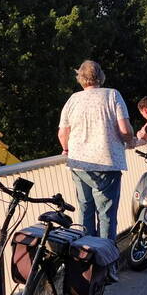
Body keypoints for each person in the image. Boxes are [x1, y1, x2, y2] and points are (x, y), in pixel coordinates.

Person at [57, 60, 134, 239]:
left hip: (79, 164)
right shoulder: (112, 95)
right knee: (106, 215)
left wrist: (66, 149)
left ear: (80, 78)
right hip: (106, 163)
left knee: (85, 210)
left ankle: (86, 257)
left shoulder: (72, 100)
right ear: (100, 76)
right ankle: (105, 261)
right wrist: (130, 139)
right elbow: (125, 131)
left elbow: (63, 134)